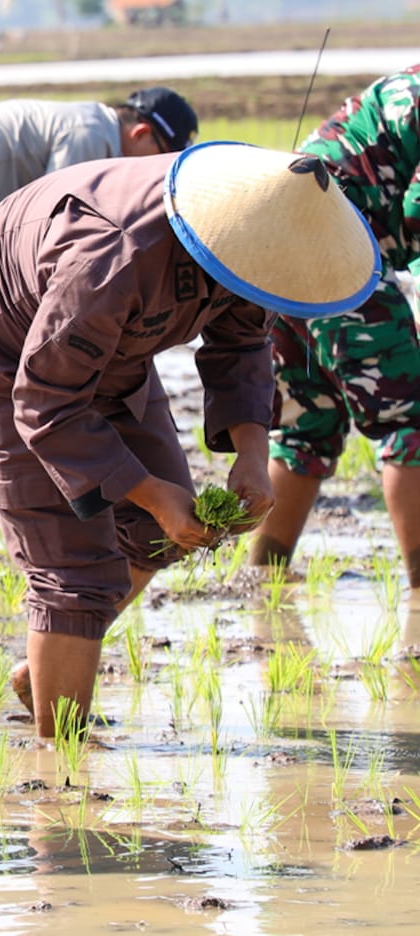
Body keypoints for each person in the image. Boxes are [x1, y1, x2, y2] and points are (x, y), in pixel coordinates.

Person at [0, 143, 379, 739]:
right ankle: (63, 763)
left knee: (161, 535)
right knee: (73, 567)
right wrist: (154, 494)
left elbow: (242, 345)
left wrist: (253, 456)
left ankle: (53, 662)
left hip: (102, 351)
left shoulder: (253, 244)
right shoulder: (113, 256)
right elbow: (47, 402)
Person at [0, 87, 200, 496]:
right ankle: (14, 484)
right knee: (0, 338)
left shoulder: (90, 127)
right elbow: (65, 227)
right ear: (140, 134)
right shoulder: (88, 136)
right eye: (162, 157)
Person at [247, 65, 420, 590]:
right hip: (335, 248)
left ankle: (264, 580)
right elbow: (415, 214)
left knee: (307, 426)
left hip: (269, 249)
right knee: (411, 421)